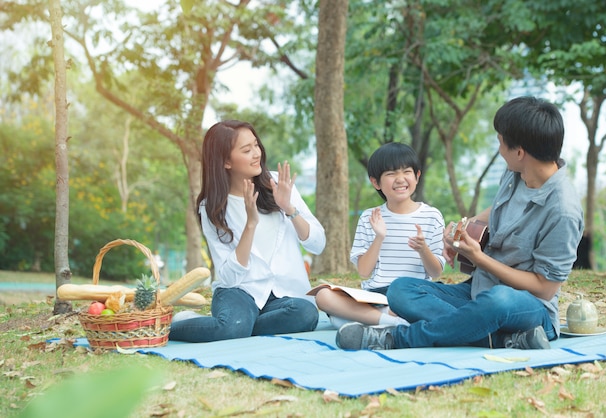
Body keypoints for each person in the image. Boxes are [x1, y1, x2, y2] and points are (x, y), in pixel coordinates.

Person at [336, 96, 584, 351]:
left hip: (526, 307)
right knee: (400, 290)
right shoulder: (517, 172)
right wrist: (463, 229)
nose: (499, 149)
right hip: (477, 291)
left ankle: (396, 338)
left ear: (519, 152)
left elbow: (544, 288)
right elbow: (498, 209)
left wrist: (480, 258)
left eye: (500, 142)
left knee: (498, 301)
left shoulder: (563, 211)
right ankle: (502, 339)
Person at [169, 120, 326, 343]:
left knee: (306, 314)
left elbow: (318, 244)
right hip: (239, 292)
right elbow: (229, 277)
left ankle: (233, 325)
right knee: (232, 327)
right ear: (225, 161)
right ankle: (177, 326)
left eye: (256, 145)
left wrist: (289, 209)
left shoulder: (278, 185)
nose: (256, 154)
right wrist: (250, 226)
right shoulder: (212, 206)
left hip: (283, 297)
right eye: (246, 150)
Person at [315, 142, 445, 329]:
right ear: (375, 182)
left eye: (406, 172)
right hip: (376, 296)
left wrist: (423, 249)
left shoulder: (432, 216)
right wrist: (379, 237)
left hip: (413, 295)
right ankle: (389, 321)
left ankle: (370, 320)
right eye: (391, 174)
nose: (400, 179)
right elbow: (363, 272)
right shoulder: (370, 216)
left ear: (417, 176)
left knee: (339, 319)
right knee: (323, 296)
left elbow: (436, 272)